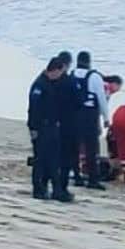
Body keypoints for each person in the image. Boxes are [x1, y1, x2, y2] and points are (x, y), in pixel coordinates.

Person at [28, 57, 72, 202]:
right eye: (60, 73)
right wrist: (33, 128)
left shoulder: (51, 83)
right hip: (42, 127)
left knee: (53, 160)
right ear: (55, 70)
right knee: (41, 160)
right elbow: (34, 109)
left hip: (52, 126)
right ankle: (38, 189)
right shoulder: (40, 84)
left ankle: (56, 190)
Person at [70, 51, 109, 190]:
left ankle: (77, 176)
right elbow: (101, 99)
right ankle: (93, 179)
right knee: (91, 148)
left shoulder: (72, 74)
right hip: (89, 115)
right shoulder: (94, 77)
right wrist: (106, 118)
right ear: (89, 62)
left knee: (74, 146)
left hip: (74, 114)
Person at [53, 50, 80, 192]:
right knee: (65, 157)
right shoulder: (70, 81)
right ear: (68, 64)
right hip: (67, 124)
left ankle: (48, 186)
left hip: (51, 123)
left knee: (52, 156)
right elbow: (78, 103)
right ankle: (61, 188)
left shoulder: (49, 79)